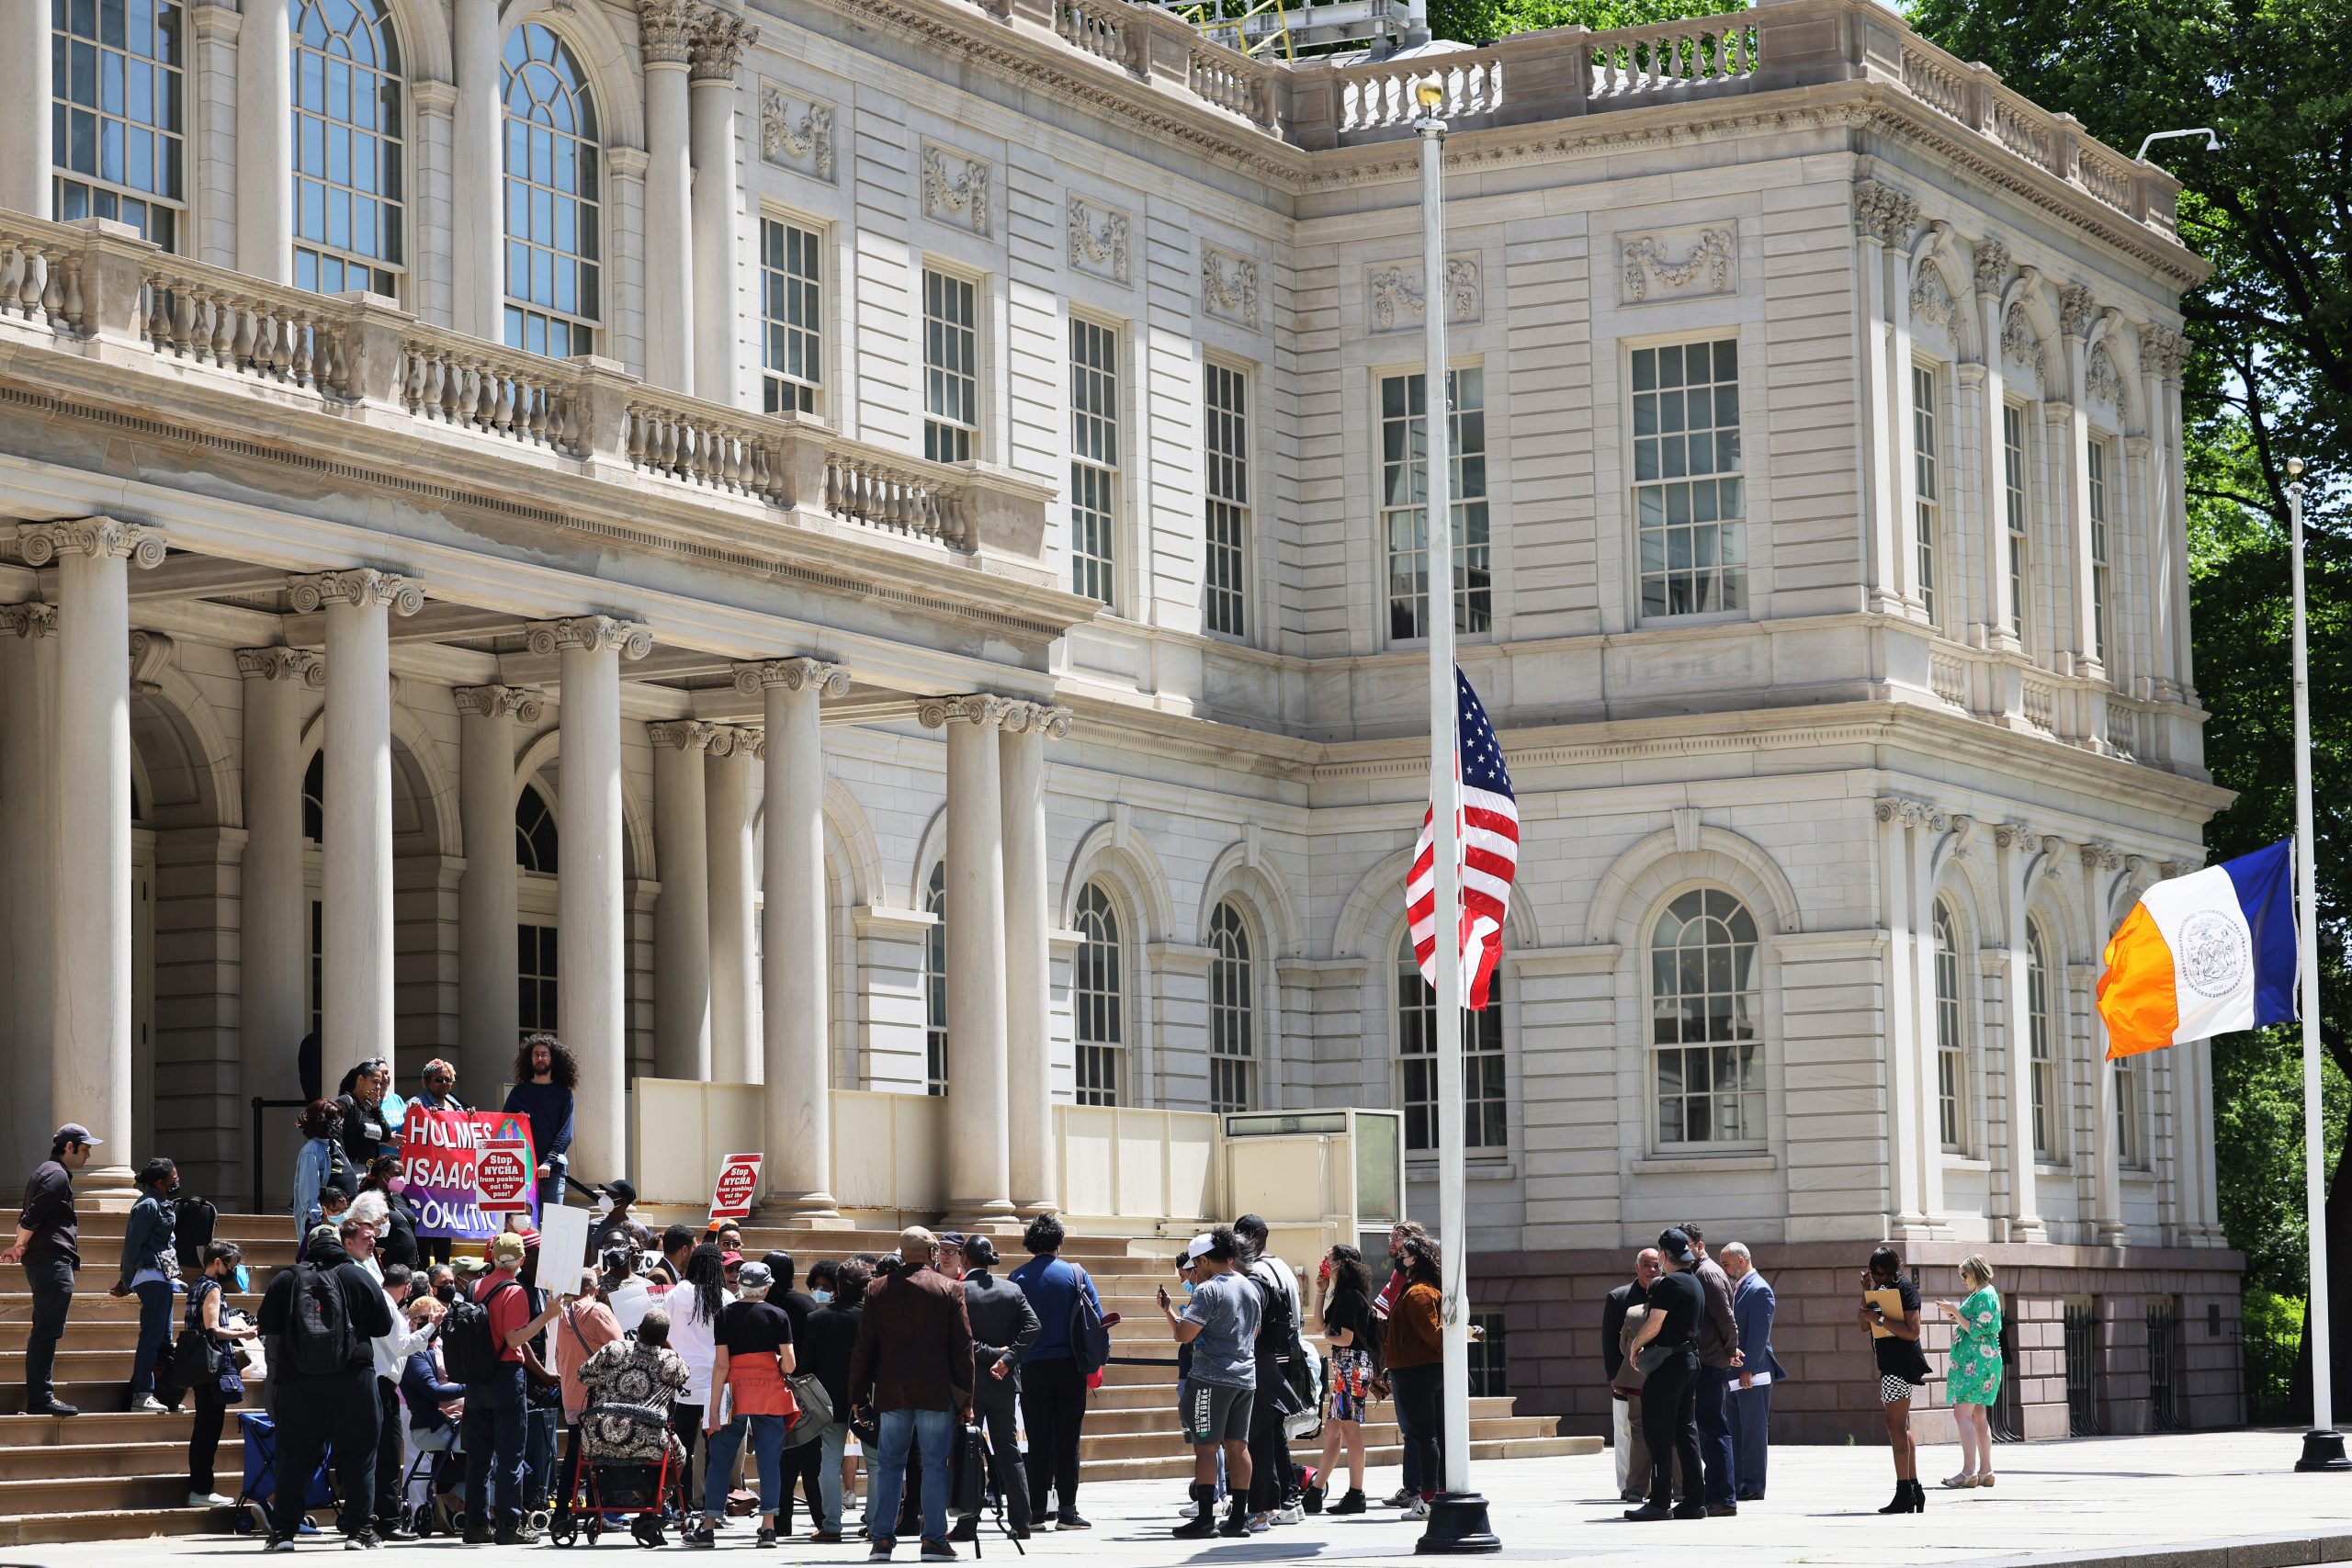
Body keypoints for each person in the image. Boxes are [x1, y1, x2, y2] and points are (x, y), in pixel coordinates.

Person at [255, 1219, 397, 1549]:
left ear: (308, 1247)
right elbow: (382, 1325)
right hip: (353, 1379)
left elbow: (268, 1324)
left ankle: (283, 1532)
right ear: (339, 1244)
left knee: (294, 1456)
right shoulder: (358, 1275)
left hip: (297, 1382)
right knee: (360, 1454)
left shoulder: (287, 1279)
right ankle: (359, 1531)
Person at [848, 1226, 975, 1563]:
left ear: (902, 1253)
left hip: (892, 1391)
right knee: (934, 1465)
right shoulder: (949, 1288)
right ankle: (933, 1539)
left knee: (890, 1465)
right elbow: (963, 1348)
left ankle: (882, 1540)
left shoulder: (878, 1289)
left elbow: (864, 1348)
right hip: (936, 1391)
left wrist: (858, 1393)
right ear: (932, 1253)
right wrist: (966, 1400)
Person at [461, 1228, 570, 1545]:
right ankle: (509, 1524)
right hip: (506, 1377)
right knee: (510, 1454)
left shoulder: (474, 1286)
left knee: (478, 1456)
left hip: (476, 1379)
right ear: (521, 1259)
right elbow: (514, 1338)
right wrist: (548, 1315)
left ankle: (475, 1524)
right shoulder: (514, 1290)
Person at [1008, 1213, 1102, 1531]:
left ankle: (1035, 1511)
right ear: (1059, 1242)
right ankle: (1067, 1511)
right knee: (1067, 1439)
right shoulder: (1076, 1274)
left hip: (1031, 1367)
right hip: (1070, 1366)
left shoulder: (1017, 1277)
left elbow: (1011, 1326)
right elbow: (1097, 1319)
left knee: (1036, 1440)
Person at [695, 1259, 799, 1549]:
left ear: (740, 1284)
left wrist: (714, 1408)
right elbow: (790, 1366)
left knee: (720, 1459)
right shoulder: (778, 1315)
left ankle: (708, 1526)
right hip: (769, 1393)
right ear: (766, 1287)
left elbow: (721, 1364)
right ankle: (768, 1527)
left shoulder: (725, 1314)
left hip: (734, 1392)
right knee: (769, 1462)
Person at [1164, 1229, 1257, 1540]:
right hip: (1245, 1377)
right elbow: (1254, 1333)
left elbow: (1184, 1335)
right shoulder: (1249, 1286)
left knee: (1206, 1447)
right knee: (1238, 1446)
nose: (1195, 1271)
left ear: (1204, 1260)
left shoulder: (1207, 1291)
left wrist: (1175, 1320)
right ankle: (1239, 1519)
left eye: (1196, 1264)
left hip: (1210, 1378)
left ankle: (1205, 1520)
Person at [4, 1123, 101, 1416]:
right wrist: (19, 1247)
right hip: (52, 1261)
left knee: (45, 1330)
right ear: (68, 1147)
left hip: (46, 1260)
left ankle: (41, 1395)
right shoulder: (56, 1174)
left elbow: (28, 1217)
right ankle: (41, 1397)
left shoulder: (47, 1171)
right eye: (84, 1149)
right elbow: (31, 1218)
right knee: (47, 1331)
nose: (88, 1156)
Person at [951, 1235, 1037, 1543]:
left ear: (966, 1258)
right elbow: (1033, 1327)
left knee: (968, 1451)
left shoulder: (958, 1290)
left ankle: (967, 1522)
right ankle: (1022, 1521)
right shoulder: (1012, 1290)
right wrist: (1008, 1359)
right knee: (1009, 1452)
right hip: (1004, 1384)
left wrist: (992, 1355)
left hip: (970, 1385)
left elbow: (959, 1340)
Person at [1622, 1229, 1707, 1523]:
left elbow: (1655, 1323)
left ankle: (1659, 1502)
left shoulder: (1669, 1284)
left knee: (1658, 1432)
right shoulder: (1694, 1281)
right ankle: (1695, 1502)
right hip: (1690, 1362)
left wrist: (1635, 1345)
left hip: (1668, 1365)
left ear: (1662, 1256)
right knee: (1686, 1432)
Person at [1234, 1213, 1301, 1528]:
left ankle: (1268, 1505)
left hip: (1263, 1364)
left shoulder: (1255, 1276)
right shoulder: (1281, 1267)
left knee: (1261, 1438)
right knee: (1272, 1436)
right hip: (1280, 1359)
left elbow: (1252, 1326)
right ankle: (1286, 1500)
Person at [368, 1259, 443, 1540]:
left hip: (381, 1386)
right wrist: (430, 1326)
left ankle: (384, 1518)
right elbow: (403, 1346)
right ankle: (390, 1520)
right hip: (385, 1388)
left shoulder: (382, 1303)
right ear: (407, 1287)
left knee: (386, 1456)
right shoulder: (390, 1309)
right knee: (391, 1457)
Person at [550, 1263, 624, 1529]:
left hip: (571, 1394)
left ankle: (562, 1510)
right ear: (594, 1288)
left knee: (574, 1453)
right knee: (597, 1455)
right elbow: (621, 1350)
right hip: (598, 1396)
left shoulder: (560, 1314)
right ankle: (596, 1511)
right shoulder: (598, 1311)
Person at [803, 1258, 870, 1545]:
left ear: (839, 1286)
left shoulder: (818, 1319)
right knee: (877, 1462)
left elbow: (805, 1365)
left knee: (828, 1461)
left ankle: (831, 1524)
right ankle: (877, 1524)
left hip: (829, 1401)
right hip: (868, 1399)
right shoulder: (873, 1317)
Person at [1859, 1244, 1930, 1514]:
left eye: (1883, 1275)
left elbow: (1913, 1331)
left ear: (1893, 1270)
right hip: (1889, 1365)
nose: (1880, 1280)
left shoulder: (1905, 1290)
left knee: (1894, 1424)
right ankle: (1913, 1489)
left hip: (1900, 1365)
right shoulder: (1878, 1291)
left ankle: (1905, 1493)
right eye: (1875, 1275)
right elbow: (1862, 1324)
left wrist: (1880, 1320)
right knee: (1902, 1426)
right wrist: (1866, 1294)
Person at [575, 1308, 691, 1473]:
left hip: (598, 1438)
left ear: (639, 1331)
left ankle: (644, 1496)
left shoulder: (614, 1349)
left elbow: (583, 1375)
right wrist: (665, 1345)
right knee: (680, 1456)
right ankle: (656, 1498)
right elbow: (685, 1375)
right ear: (665, 1338)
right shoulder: (672, 1361)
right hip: (650, 1442)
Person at [184, 1239, 256, 1506]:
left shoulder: (196, 1286)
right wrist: (243, 1332)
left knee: (204, 1426)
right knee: (208, 1429)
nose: (233, 1270)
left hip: (199, 1365)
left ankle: (200, 1488)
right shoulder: (212, 1287)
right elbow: (212, 1328)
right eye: (231, 1264)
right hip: (212, 1366)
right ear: (218, 1263)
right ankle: (201, 1490)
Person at [1377, 1235, 1443, 1521]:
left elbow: (1435, 1335)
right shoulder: (1418, 1290)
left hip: (1417, 1372)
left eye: (1404, 1254)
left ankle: (1429, 1497)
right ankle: (1435, 1493)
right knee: (1427, 1436)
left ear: (1416, 1259)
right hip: (1416, 1370)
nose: (1399, 1258)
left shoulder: (1419, 1293)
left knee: (1425, 1436)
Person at [1679, 1221, 1743, 1516]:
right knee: (1707, 1428)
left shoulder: (1707, 1274)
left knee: (1713, 1429)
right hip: (1704, 1360)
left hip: (1710, 1362)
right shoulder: (1695, 1272)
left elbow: (1726, 1319)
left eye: (1687, 1245)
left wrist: (1730, 1351)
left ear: (1699, 1245)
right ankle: (1715, 1494)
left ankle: (1723, 1498)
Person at [1306, 1245, 1374, 1515]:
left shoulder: (1350, 1297)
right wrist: (1321, 1290)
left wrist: (1328, 1340)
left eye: (1328, 1259)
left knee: (1350, 1430)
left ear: (1342, 1264)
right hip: (1346, 1368)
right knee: (1333, 1431)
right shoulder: (1343, 1295)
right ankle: (1315, 1490)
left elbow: (1344, 1339)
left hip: (1352, 1367)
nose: (1324, 1263)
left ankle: (1356, 1493)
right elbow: (1319, 1325)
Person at [667, 1244, 734, 1511]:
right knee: (716, 1451)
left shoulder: (674, 1294)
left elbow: (666, 1333)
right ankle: (712, 1506)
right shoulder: (727, 1298)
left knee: (679, 1449)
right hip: (717, 1386)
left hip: (681, 1385)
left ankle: (679, 1505)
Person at [1369, 1219, 1430, 1505]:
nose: (1392, 1243)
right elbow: (1381, 1314)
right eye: (1390, 1237)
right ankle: (1416, 1488)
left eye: (1398, 1238)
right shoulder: (1398, 1276)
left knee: (1419, 1430)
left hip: (1417, 1362)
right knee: (1412, 1430)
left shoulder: (1421, 1280)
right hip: (1400, 1361)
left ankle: (1422, 1489)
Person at [111, 1156, 180, 1413]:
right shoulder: (147, 1206)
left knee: (164, 1339)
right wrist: (126, 1280)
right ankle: (142, 1395)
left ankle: (163, 1392)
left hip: (165, 1277)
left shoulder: (163, 1203)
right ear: (160, 1182)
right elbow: (132, 1245)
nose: (176, 1182)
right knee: (151, 1338)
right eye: (173, 1178)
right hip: (151, 1277)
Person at [1722, 1242, 1786, 1502]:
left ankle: (1754, 1485)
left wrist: (1747, 1370)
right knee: (1736, 1430)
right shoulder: (1737, 1288)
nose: (1723, 1269)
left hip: (1753, 1374)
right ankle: (1738, 1482)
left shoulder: (1759, 1289)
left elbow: (1759, 1336)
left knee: (1754, 1432)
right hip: (1735, 1374)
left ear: (1740, 1260)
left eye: (1726, 1263)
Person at [1937, 1255, 2004, 1490]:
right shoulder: (1985, 1294)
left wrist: (1955, 1311)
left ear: (1975, 1272)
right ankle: (1986, 1471)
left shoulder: (1985, 1294)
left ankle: (1968, 1472)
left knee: (1962, 1414)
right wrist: (1957, 1314)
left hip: (1975, 1363)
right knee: (1978, 1415)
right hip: (1982, 1362)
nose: (1963, 1280)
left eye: (1964, 1275)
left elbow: (1977, 1330)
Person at [1602, 1248, 1661, 1503]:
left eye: (1656, 1265)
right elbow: (1609, 1341)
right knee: (1625, 1431)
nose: (1652, 1270)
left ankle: (1655, 1483)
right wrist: (1614, 1375)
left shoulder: (1666, 1294)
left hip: (1658, 1377)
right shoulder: (1619, 1297)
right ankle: (1628, 1485)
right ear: (1637, 1267)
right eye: (1647, 1265)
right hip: (1627, 1378)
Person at [503, 1033, 578, 1207]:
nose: (540, 1058)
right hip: (522, 1169)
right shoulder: (519, 1092)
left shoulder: (563, 1094)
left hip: (553, 1170)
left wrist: (548, 1162)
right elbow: (505, 1124)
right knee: (522, 1222)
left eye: (544, 1054)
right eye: (536, 1054)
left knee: (552, 1222)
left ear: (553, 1059)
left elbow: (565, 1134)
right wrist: (517, 1118)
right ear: (529, 1059)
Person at [290, 1100, 354, 1236]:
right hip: (327, 1226)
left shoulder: (335, 1144)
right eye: (335, 1119)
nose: (339, 1123)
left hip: (344, 1221)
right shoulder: (312, 1150)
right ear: (322, 1121)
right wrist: (320, 1224)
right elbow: (309, 1195)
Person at [358, 1156, 420, 1272]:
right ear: (382, 1173)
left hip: (409, 1267)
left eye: (402, 1174)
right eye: (397, 1174)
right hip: (387, 1267)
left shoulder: (400, 1198)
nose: (401, 1178)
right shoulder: (367, 1200)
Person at [336, 1057, 399, 1167]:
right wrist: (343, 1168)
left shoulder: (370, 1107)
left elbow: (386, 1136)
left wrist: (376, 1109)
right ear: (360, 1080)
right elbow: (336, 1138)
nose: (378, 1087)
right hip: (352, 1168)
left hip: (370, 1171)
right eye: (375, 1082)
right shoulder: (346, 1102)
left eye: (379, 1083)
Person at [590, 1178, 651, 1259]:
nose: (605, 1198)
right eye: (606, 1194)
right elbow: (585, 1259)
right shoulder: (592, 1225)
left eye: (610, 1195)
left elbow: (645, 1259)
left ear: (623, 1201)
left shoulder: (640, 1229)